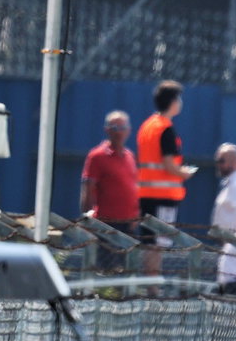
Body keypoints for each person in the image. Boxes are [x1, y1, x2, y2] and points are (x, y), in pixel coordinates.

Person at [137, 80, 195, 278]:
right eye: (178, 98)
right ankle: (153, 286)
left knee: (149, 241)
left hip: (146, 194)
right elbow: (169, 164)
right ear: (172, 101)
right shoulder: (166, 129)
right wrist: (184, 173)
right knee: (158, 244)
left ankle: (149, 284)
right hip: (163, 196)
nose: (180, 102)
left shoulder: (147, 126)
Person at [80, 111, 140, 262]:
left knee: (126, 267)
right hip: (106, 224)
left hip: (128, 224)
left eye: (122, 127)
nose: (118, 132)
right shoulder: (97, 156)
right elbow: (88, 187)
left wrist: (136, 215)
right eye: (114, 127)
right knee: (105, 267)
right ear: (107, 130)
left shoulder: (129, 156)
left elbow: (133, 187)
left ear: (129, 130)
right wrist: (87, 216)